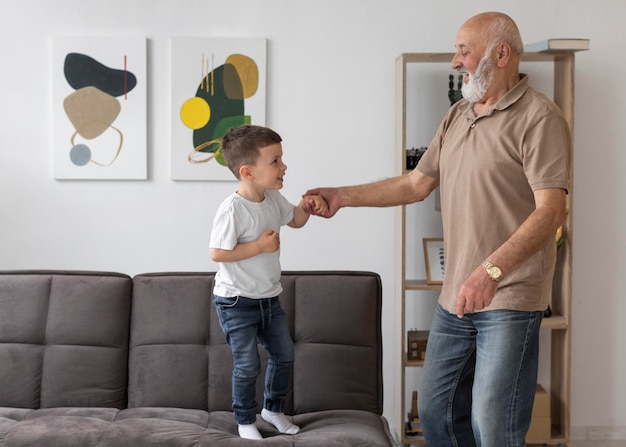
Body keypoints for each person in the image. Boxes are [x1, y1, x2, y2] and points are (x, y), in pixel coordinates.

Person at [304, 11, 571, 447]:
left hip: (509, 295)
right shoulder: (458, 115)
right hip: (456, 295)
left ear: (501, 53)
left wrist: (491, 272)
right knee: (436, 411)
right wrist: (343, 196)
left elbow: (550, 212)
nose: (455, 61)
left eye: (465, 50)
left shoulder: (539, 118)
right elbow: (415, 183)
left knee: (494, 424)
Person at [209, 124, 327, 440]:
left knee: (284, 354)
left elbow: (296, 220)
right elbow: (217, 252)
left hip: (268, 300)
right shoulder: (233, 209)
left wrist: (307, 206)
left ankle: (272, 410)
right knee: (247, 364)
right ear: (248, 172)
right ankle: (245, 419)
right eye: (275, 161)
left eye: (281, 159)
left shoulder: (273, 198)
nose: (283, 166)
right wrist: (259, 246)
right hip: (235, 301)